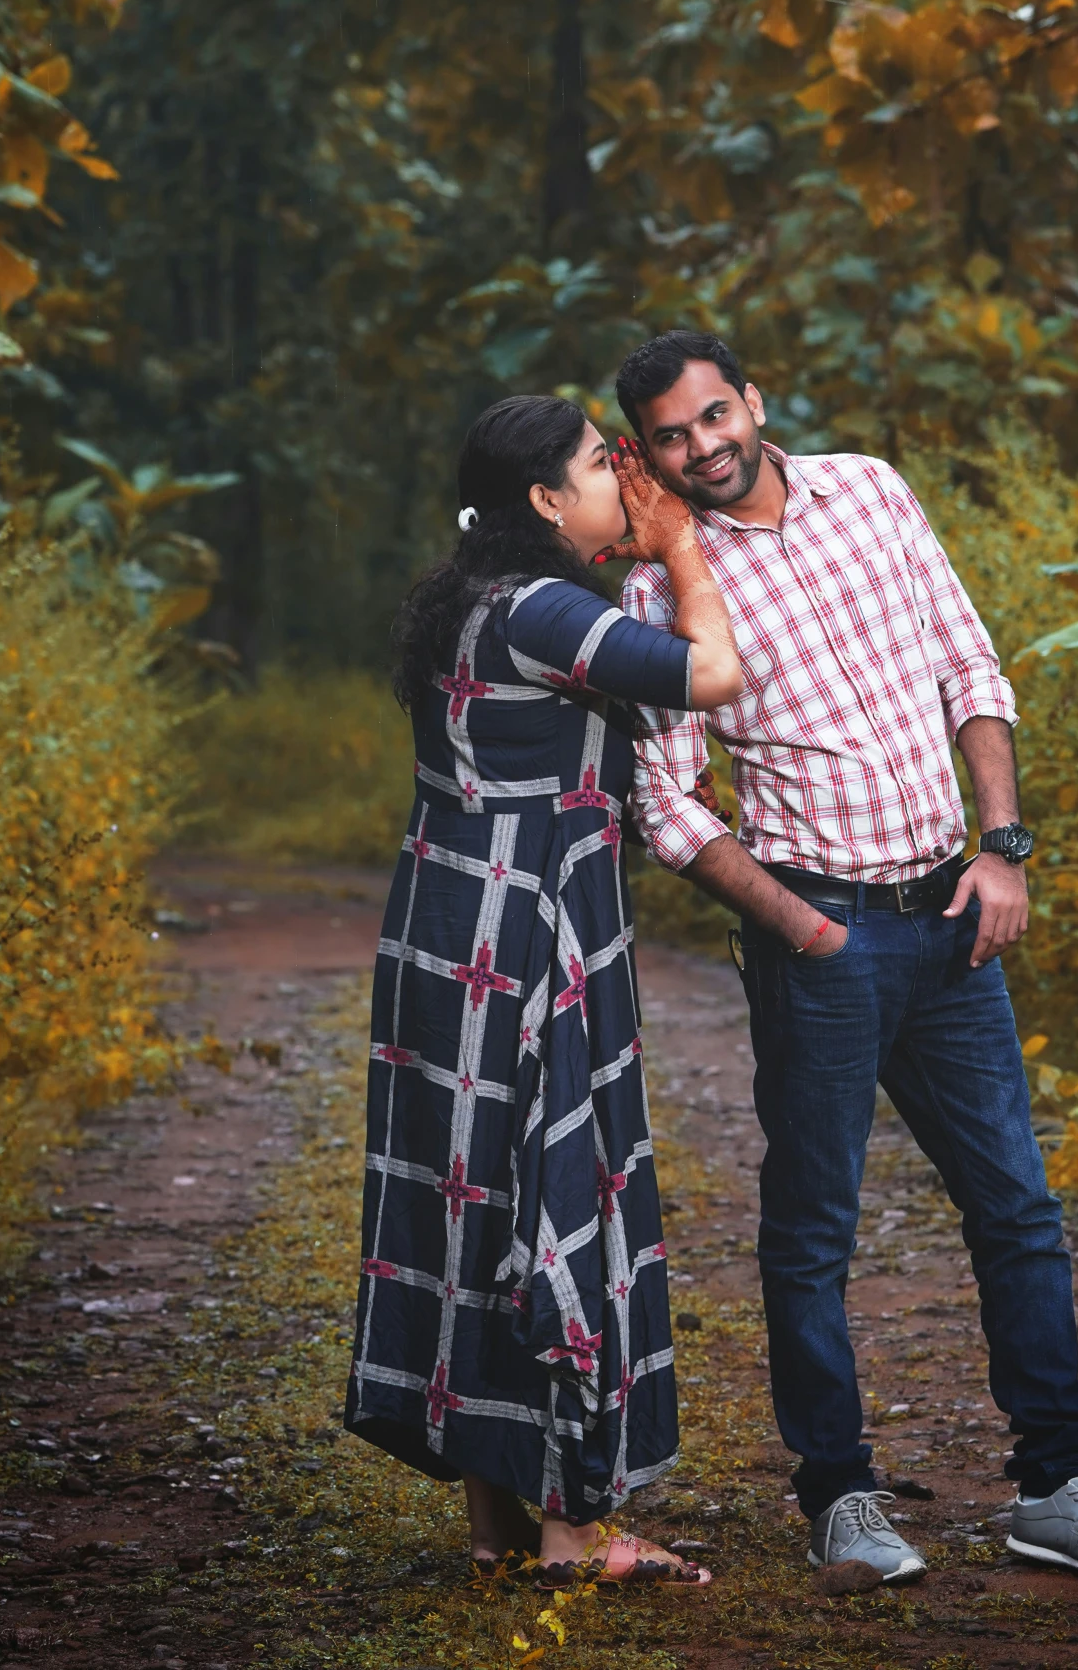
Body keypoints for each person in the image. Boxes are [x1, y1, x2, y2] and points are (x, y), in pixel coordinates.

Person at [616, 330, 1078, 1586]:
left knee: (1017, 1207)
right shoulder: (658, 596)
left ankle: (1056, 1486)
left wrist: (1003, 845)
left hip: (953, 918)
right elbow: (670, 806)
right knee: (814, 1229)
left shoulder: (871, 486)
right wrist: (800, 925)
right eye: (671, 437)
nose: (702, 447)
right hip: (819, 932)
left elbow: (966, 659)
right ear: (647, 455)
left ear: (752, 400)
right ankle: (841, 1497)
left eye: (712, 416)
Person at [344, 393, 745, 1584]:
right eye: (597, 463)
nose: (624, 475)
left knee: (479, 1204)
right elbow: (713, 676)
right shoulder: (545, 610)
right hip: (530, 935)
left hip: (442, 932)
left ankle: (498, 1526)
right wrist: (676, 546)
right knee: (554, 1192)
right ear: (543, 498)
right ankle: (576, 1527)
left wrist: (629, 546)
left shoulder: (473, 603)